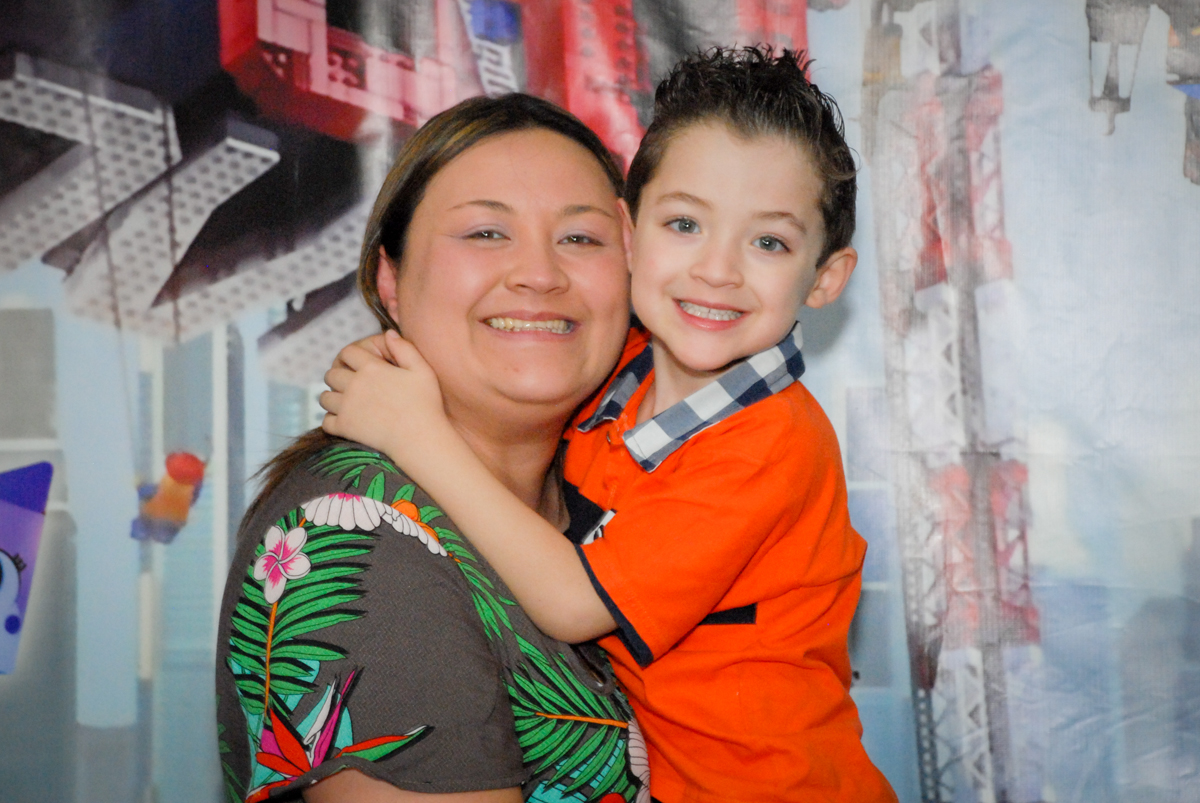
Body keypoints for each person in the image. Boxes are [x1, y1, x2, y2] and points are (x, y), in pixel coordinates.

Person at [322, 47, 897, 802]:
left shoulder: (770, 442)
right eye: (685, 223)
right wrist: (397, 364)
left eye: (769, 242)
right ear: (631, 233)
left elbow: (573, 603)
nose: (717, 269)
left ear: (824, 277)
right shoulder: (619, 372)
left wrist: (414, 431)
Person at [215, 93, 652, 803]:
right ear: (390, 281)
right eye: (485, 232)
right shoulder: (358, 534)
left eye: (581, 238)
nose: (540, 273)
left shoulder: (630, 495)